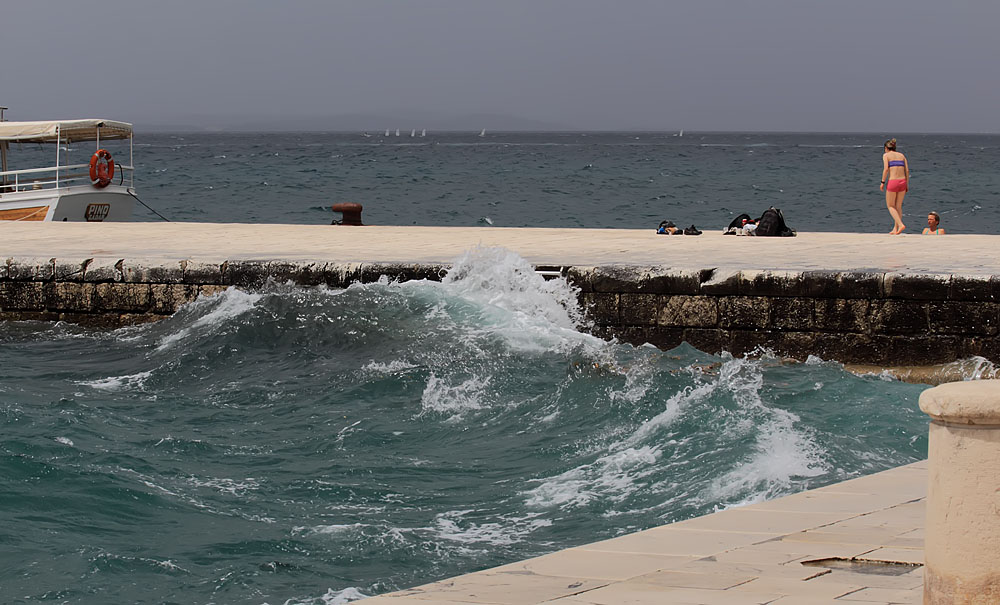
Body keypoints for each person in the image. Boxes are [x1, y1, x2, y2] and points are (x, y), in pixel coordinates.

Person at [879, 138, 909, 234]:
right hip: (903, 181)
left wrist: (882, 182)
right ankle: (895, 229)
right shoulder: (901, 155)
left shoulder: (886, 155)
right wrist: (907, 183)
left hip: (893, 181)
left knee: (890, 206)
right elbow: (907, 170)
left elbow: (886, 169)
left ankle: (900, 225)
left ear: (886, 148)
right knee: (898, 206)